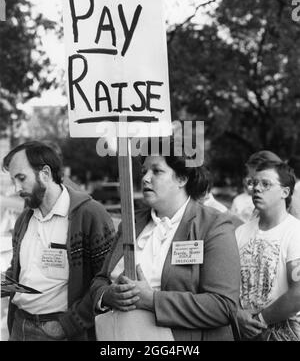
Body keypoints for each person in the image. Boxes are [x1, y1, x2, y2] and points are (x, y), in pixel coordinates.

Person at [90, 137, 241, 341]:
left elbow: (223, 306)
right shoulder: (130, 223)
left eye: (157, 171)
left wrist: (152, 300)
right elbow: (100, 280)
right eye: (144, 171)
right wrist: (107, 295)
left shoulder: (214, 226)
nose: (145, 178)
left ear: (182, 178)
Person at [2, 141, 115, 341]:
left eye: (21, 178)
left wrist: (69, 325)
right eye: (13, 181)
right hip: (19, 326)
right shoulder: (25, 218)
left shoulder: (90, 214)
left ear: (45, 173)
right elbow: (19, 272)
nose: (17, 188)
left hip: (61, 331)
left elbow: (106, 280)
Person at [235, 161, 300, 341]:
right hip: (241, 330)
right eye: (254, 183)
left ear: (285, 192)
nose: (256, 188)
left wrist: (259, 320)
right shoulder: (240, 233)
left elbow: (298, 293)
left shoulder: (295, 232)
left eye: (266, 184)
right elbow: (227, 284)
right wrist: (238, 314)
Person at [231, 150, 282, 223]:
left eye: (264, 183)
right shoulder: (262, 205)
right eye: (253, 181)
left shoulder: (290, 209)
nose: (255, 187)